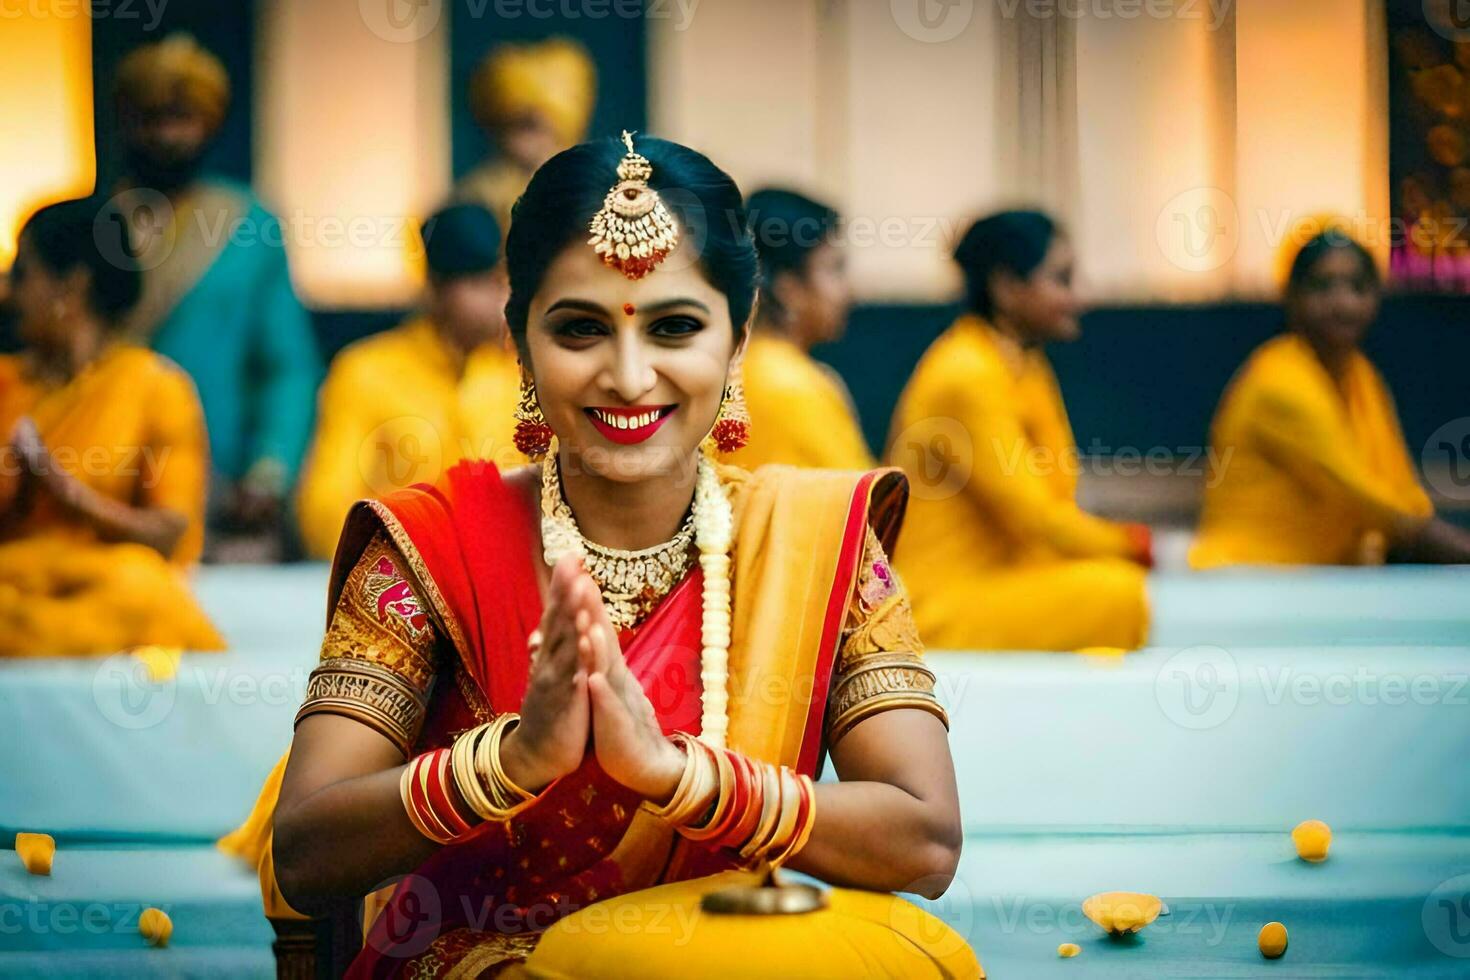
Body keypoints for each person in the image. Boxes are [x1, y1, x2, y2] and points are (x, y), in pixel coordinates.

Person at [222, 133, 971, 977]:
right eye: (579, 328)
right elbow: (307, 852)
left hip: (729, 950)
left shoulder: (817, 537)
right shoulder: (428, 549)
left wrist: (677, 776)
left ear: (738, 338)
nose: (628, 374)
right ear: (520, 341)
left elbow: (927, 841)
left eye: (676, 326)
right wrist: (510, 762)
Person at [887, 210, 1152, 651]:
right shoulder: (966, 373)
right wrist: (1138, 546)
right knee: (1118, 594)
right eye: (1062, 280)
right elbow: (1037, 520)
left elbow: (1058, 495)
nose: (1080, 297)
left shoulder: (1022, 365)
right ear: (1007, 287)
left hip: (1008, 580)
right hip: (941, 605)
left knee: (1112, 589)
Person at [111, 34, 320, 554]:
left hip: (219, 491)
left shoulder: (248, 226)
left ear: (209, 123)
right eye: (150, 117)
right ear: (125, 120)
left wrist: (269, 473)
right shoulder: (91, 225)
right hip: (105, 480)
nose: (166, 136)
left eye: (181, 118)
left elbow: (286, 367)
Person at [0, 198, 222, 656]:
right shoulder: (7, 383)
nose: (9, 294)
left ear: (72, 286)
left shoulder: (155, 387)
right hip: (15, 580)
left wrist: (63, 490)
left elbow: (168, 536)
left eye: (23, 275)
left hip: (105, 586)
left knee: (139, 585)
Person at [1192, 228, 1470, 566]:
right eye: (1323, 287)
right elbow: (1377, 507)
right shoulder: (1279, 382)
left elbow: (1403, 494)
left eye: (1357, 287)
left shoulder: (1361, 377)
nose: (1343, 304)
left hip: (1320, 588)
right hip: (1245, 582)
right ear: (1291, 296)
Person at [295, 203, 519, 560]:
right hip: (403, 589)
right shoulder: (366, 372)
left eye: (504, 283)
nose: (500, 301)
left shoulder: (518, 378)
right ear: (436, 288)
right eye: (481, 284)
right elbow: (323, 512)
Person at [731, 188, 873, 470]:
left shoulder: (738, 369)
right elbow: (861, 506)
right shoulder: (794, 387)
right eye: (834, 270)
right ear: (788, 287)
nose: (849, 292)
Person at [457, 37, 597, 232]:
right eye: (523, 128)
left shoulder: (598, 193)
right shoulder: (474, 199)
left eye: (543, 129)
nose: (533, 144)